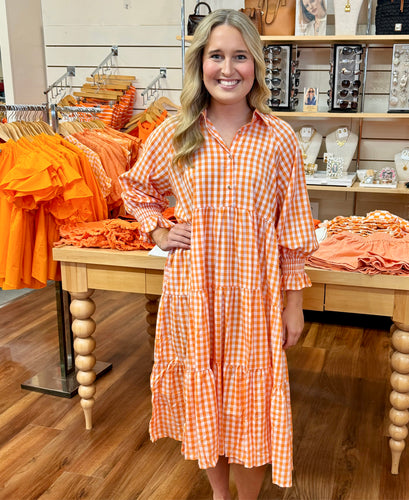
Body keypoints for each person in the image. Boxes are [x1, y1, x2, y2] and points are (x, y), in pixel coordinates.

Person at [120, 8, 318, 500]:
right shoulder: (175, 133)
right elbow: (134, 187)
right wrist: (159, 231)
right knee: (206, 398)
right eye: (216, 56)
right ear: (199, 63)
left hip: (255, 299)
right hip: (195, 294)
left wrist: (294, 304)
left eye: (240, 56)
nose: (227, 69)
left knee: (249, 405)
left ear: (255, 65)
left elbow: (292, 230)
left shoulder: (280, 140)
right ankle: (219, 494)